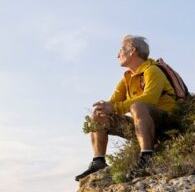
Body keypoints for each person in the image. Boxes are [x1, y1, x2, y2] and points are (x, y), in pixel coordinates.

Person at [75, 35, 176, 181]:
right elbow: (113, 103)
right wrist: (105, 108)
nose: (117, 55)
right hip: (142, 123)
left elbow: (150, 99)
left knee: (138, 106)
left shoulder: (153, 71)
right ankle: (98, 162)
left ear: (132, 51)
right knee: (99, 114)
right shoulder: (126, 79)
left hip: (166, 123)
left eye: (121, 50)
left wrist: (115, 107)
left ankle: (147, 156)